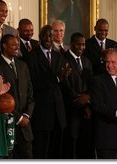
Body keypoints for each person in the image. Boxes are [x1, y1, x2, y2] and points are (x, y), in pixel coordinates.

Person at [0, 34, 35, 159]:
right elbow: (0, 98)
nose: (17, 47)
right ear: (4, 46)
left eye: (18, 44)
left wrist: (26, 115)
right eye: (13, 45)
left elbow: (30, 93)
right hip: (6, 126)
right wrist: (18, 118)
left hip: (25, 127)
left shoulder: (23, 65)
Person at [27, 25, 71, 158]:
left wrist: (65, 77)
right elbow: (33, 84)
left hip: (58, 113)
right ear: (40, 37)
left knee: (56, 152)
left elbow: (63, 84)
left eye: (51, 36)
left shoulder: (59, 56)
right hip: (41, 113)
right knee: (41, 152)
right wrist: (58, 77)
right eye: (45, 35)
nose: (48, 38)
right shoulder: (31, 57)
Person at [62, 32, 94, 158]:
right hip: (71, 109)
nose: (81, 47)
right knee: (72, 143)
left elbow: (92, 83)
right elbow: (65, 85)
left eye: (84, 45)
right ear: (71, 44)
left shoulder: (87, 61)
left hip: (87, 110)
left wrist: (87, 98)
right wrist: (79, 100)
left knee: (85, 143)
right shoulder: (63, 59)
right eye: (78, 44)